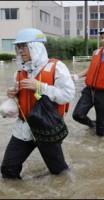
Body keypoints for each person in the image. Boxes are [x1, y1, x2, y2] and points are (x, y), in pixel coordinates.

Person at [0, 28, 75, 180]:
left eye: (24, 46)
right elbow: (21, 101)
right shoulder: (20, 72)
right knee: (8, 169)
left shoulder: (57, 67)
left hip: (47, 127)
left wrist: (41, 87)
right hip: (23, 127)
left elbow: (67, 95)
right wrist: (13, 94)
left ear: (36, 47)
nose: (20, 51)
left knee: (60, 173)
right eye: (18, 47)